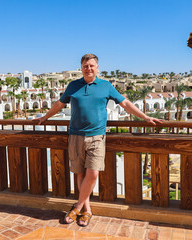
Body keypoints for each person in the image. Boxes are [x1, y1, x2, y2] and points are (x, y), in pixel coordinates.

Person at [34, 54, 163, 227]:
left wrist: (145, 117)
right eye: (85, 66)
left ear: (97, 68)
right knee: (80, 173)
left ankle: (78, 206)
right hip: (76, 136)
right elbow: (59, 104)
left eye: (91, 66)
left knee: (93, 173)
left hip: (96, 136)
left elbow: (125, 104)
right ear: (81, 68)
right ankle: (87, 210)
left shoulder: (106, 86)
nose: (88, 68)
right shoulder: (73, 85)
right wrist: (45, 118)